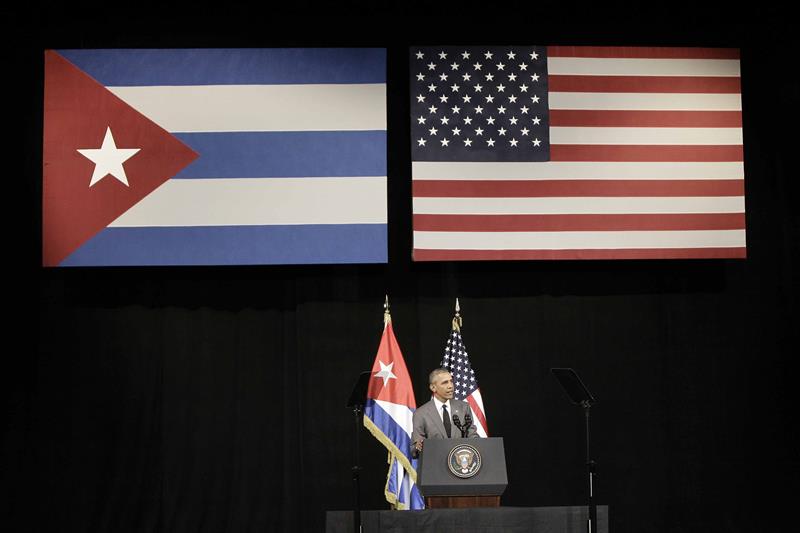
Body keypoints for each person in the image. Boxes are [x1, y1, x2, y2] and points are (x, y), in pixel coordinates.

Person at [411, 368, 478, 458]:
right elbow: (414, 449)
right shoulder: (420, 414)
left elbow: (472, 436)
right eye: (445, 383)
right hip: (435, 465)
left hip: (461, 464)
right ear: (433, 387)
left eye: (451, 381)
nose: (450, 386)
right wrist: (418, 447)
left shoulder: (463, 407)